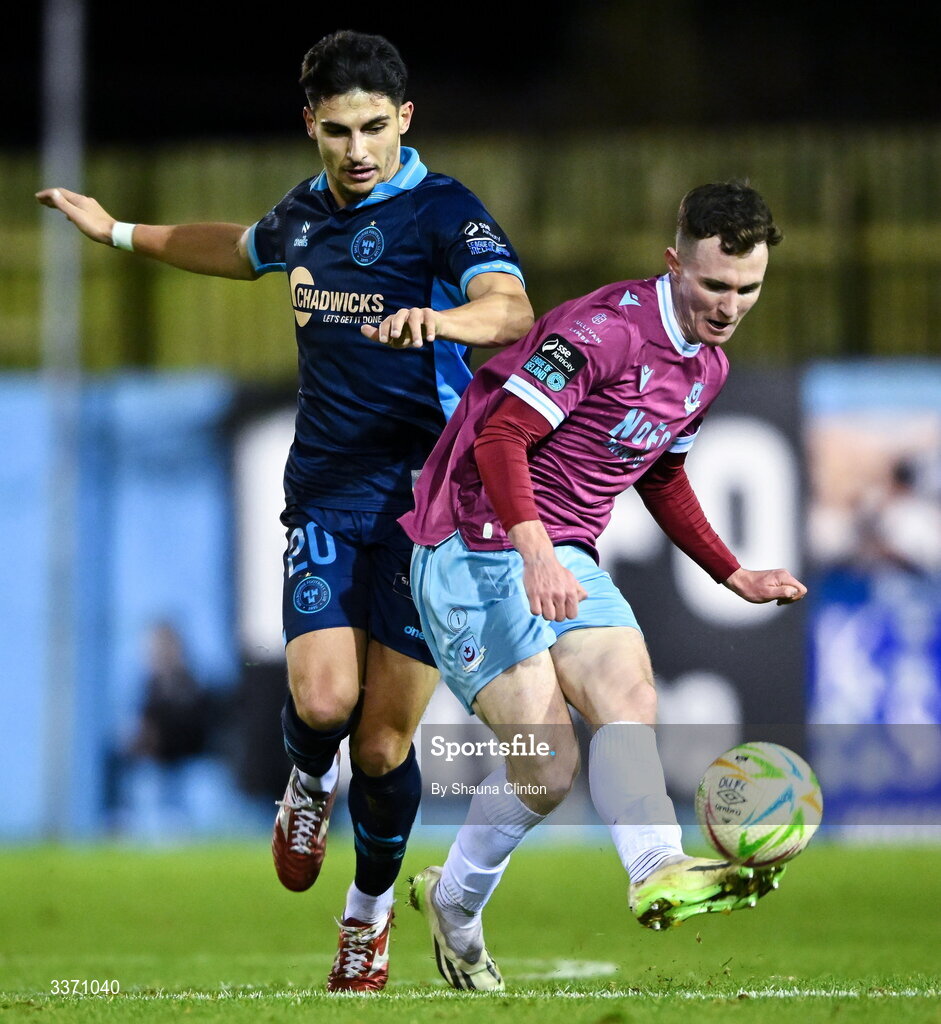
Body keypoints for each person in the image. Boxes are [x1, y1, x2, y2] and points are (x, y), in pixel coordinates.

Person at [37, 29, 532, 993]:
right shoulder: (305, 215)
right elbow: (238, 249)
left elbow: (508, 307)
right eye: (339, 130)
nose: (358, 150)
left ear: (406, 122)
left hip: (426, 511)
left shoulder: (443, 212)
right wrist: (118, 233)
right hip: (326, 492)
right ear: (310, 125)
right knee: (319, 701)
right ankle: (306, 782)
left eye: (375, 129)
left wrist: (446, 320)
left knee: (385, 745)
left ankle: (369, 919)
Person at [399, 180, 807, 991]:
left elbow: (661, 474)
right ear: (672, 263)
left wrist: (733, 572)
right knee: (546, 768)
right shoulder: (602, 330)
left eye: (747, 288)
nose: (729, 306)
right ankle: (455, 903)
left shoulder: (707, 366)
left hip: (563, 549)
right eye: (713, 285)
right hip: (472, 539)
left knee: (629, 691)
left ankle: (654, 864)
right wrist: (536, 552)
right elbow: (500, 437)